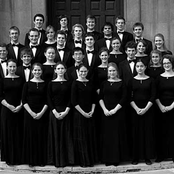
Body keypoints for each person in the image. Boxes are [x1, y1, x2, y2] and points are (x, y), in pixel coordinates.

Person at [99, 62, 128, 166]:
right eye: (110, 71)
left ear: (117, 72)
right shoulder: (104, 83)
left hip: (118, 112)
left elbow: (124, 98)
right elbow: (100, 98)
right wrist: (104, 110)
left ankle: (116, 159)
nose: (112, 72)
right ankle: (107, 159)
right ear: (107, 72)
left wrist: (115, 110)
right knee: (107, 136)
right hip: (105, 112)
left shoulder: (122, 83)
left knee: (116, 136)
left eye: (113, 70)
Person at [47, 62, 74, 167]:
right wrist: (54, 111)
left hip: (66, 111)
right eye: (58, 68)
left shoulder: (69, 83)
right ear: (55, 70)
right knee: (55, 135)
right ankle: (55, 160)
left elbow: (70, 98)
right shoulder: (51, 83)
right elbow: (49, 98)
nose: (60, 70)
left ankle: (66, 160)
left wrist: (66, 111)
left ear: (65, 70)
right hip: (54, 112)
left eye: (62, 68)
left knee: (65, 135)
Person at [129, 59, 156, 165]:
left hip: (148, 110)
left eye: (141, 66)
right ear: (135, 68)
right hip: (134, 110)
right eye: (137, 66)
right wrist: (136, 109)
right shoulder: (131, 81)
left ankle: (147, 157)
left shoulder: (151, 80)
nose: (139, 68)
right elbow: (129, 97)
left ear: (145, 67)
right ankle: (135, 157)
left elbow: (153, 96)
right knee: (135, 133)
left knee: (147, 133)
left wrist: (145, 109)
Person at [71, 64, 98, 167]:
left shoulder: (90, 83)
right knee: (81, 137)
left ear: (87, 72)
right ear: (78, 72)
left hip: (90, 113)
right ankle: (83, 161)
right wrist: (83, 113)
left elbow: (94, 98)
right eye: (81, 71)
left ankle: (90, 160)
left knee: (89, 136)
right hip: (79, 113)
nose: (83, 73)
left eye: (85, 71)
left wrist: (92, 110)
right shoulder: (75, 83)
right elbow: (74, 101)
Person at [22, 63, 48, 166]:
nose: (37, 72)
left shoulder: (46, 84)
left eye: (39, 70)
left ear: (42, 71)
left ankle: (41, 160)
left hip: (42, 113)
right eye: (35, 70)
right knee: (31, 137)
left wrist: (41, 113)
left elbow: (47, 100)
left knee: (41, 136)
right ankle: (31, 160)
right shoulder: (27, 84)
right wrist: (32, 113)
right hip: (29, 113)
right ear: (32, 71)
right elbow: (24, 100)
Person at [0, 59, 24, 165]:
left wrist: (20, 105)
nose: (12, 69)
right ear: (7, 68)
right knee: (7, 132)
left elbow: (24, 94)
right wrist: (9, 106)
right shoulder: (2, 80)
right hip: (7, 109)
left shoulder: (21, 79)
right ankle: (9, 157)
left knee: (18, 132)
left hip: (19, 109)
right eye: (10, 67)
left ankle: (18, 158)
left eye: (14, 67)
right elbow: (0, 96)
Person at [155, 54, 174, 162]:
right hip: (161, 108)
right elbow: (155, 94)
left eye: (168, 63)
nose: (166, 65)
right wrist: (161, 106)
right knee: (161, 132)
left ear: (172, 64)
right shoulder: (159, 78)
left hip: (173, 107)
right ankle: (161, 155)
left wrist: (172, 106)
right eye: (164, 63)